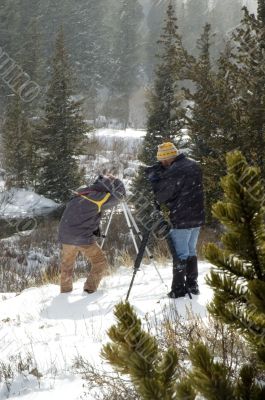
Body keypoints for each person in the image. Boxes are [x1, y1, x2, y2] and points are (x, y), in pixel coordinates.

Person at [145, 142, 205, 298]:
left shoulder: (175, 171)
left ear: (166, 158)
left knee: (180, 254)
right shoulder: (192, 165)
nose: (161, 163)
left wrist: (156, 180)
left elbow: (162, 196)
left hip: (182, 217)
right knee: (191, 251)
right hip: (197, 216)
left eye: (161, 160)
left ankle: (178, 290)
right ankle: (192, 285)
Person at [58, 174, 126, 294]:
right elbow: (120, 196)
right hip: (81, 236)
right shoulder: (99, 197)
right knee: (100, 261)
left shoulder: (81, 192)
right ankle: (90, 288)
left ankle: (65, 291)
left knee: (67, 264)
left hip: (65, 234)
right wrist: (118, 182)